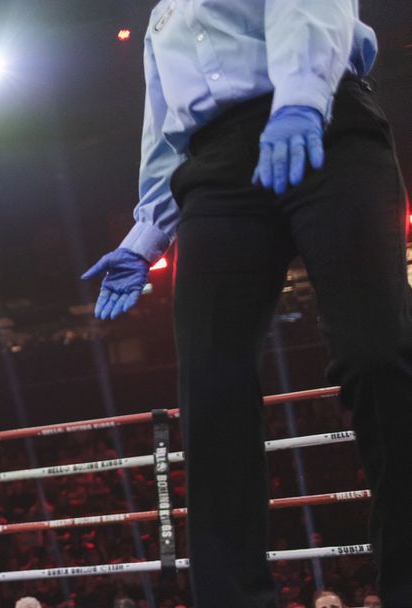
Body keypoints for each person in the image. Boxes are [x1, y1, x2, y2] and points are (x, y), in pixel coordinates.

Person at [82, 1, 410, 606]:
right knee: (211, 388)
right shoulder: (162, 17)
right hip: (215, 170)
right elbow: (165, 129)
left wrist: (301, 100)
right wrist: (145, 237)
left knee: (377, 352)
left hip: (327, 121)